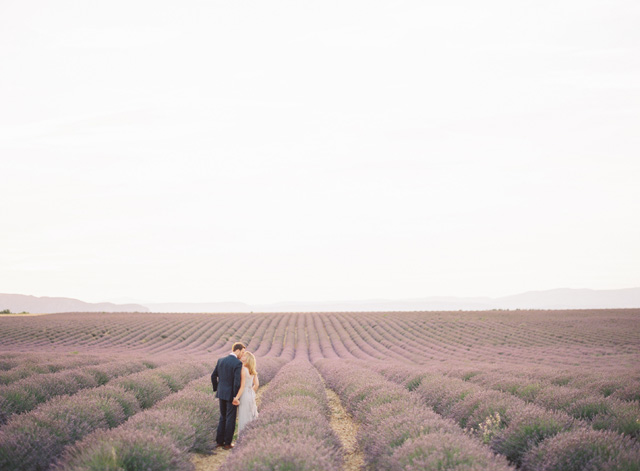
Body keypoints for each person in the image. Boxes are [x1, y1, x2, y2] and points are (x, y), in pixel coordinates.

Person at [211, 342, 246, 449]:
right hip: (231, 395)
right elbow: (236, 383)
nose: (243, 355)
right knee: (230, 418)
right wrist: (236, 397)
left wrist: (217, 388)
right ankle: (227, 443)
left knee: (223, 417)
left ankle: (219, 441)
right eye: (243, 352)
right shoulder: (237, 363)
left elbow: (213, 376)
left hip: (221, 393)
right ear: (237, 350)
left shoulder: (221, 360)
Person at [236, 351, 259, 434]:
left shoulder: (243, 369)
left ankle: (243, 435)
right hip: (250, 393)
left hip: (244, 394)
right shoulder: (253, 370)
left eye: (244, 356)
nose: (242, 356)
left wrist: (236, 398)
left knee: (243, 415)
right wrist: (251, 392)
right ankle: (252, 433)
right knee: (250, 413)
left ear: (247, 359)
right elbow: (256, 385)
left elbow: (242, 386)